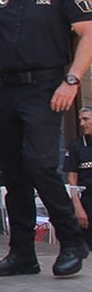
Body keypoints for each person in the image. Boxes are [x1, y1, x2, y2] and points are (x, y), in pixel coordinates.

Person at [0, 0, 92, 278]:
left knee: (39, 165)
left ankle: (72, 241)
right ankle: (22, 253)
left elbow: (88, 33)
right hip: (9, 89)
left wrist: (72, 80)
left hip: (47, 90)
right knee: (14, 172)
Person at [62, 107, 92, 250]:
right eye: (80, 120)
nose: (82, 123)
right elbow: (72, 179)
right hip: (87, 203)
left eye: (86, 119)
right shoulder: (76, 146)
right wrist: (78, 207)